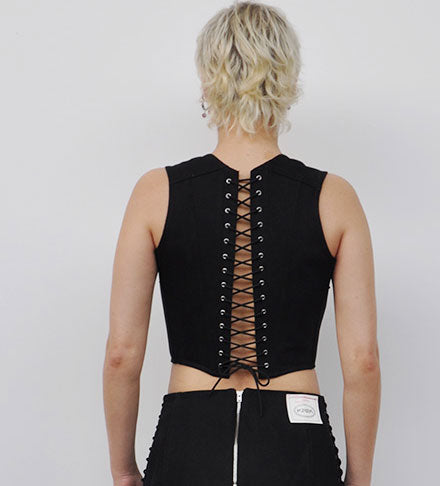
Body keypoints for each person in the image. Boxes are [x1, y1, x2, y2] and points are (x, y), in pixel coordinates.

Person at [103, 2, 380, 486]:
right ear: (287, 79)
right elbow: (362, 361)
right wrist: (359, 481)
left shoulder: (156, 193)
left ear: (207, 80)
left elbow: (122, 354)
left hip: (188, 441)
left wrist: (124, 471)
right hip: (296, 445)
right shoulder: (334, 198)